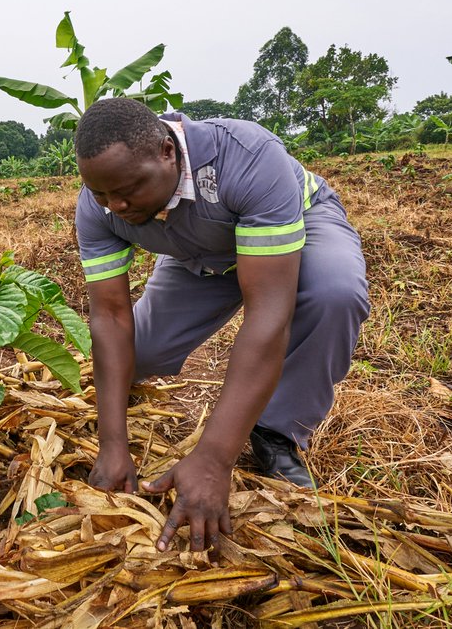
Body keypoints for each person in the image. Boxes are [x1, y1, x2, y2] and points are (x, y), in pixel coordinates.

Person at [74, 98, 369, 555]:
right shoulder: (102, 205)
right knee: (138, 352)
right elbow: (110, 316)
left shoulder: (247, 157)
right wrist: (112, 442)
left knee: (334, 293)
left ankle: (276, 433)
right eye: (101, 195)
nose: (116, 205)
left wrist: (214, 457)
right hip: (200, 255)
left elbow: (269, 314)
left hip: (294, 230)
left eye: (129, 189)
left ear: (167, 151)